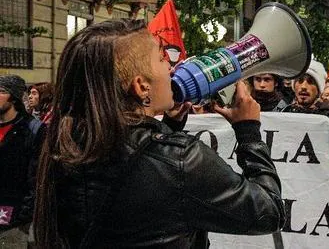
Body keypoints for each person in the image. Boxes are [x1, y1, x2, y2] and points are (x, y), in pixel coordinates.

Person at [33, 19, 285, 248]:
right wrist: (248, 131)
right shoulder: (181, 159)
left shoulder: (63, 143)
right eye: (161, 58)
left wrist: (169, 127)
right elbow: (269, 212)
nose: (172, 67)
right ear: (142, 86)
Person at [0, 75, 45, 248]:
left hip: (13, 216)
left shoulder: (33, 129)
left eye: (2, 91)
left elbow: (37, 177)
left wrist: (23, 213)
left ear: (14, 97)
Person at [283, 60, 329, 127]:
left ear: (319, 89)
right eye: (300, 81)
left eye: (310, 82)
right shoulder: (284, 112)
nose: (303, 86)